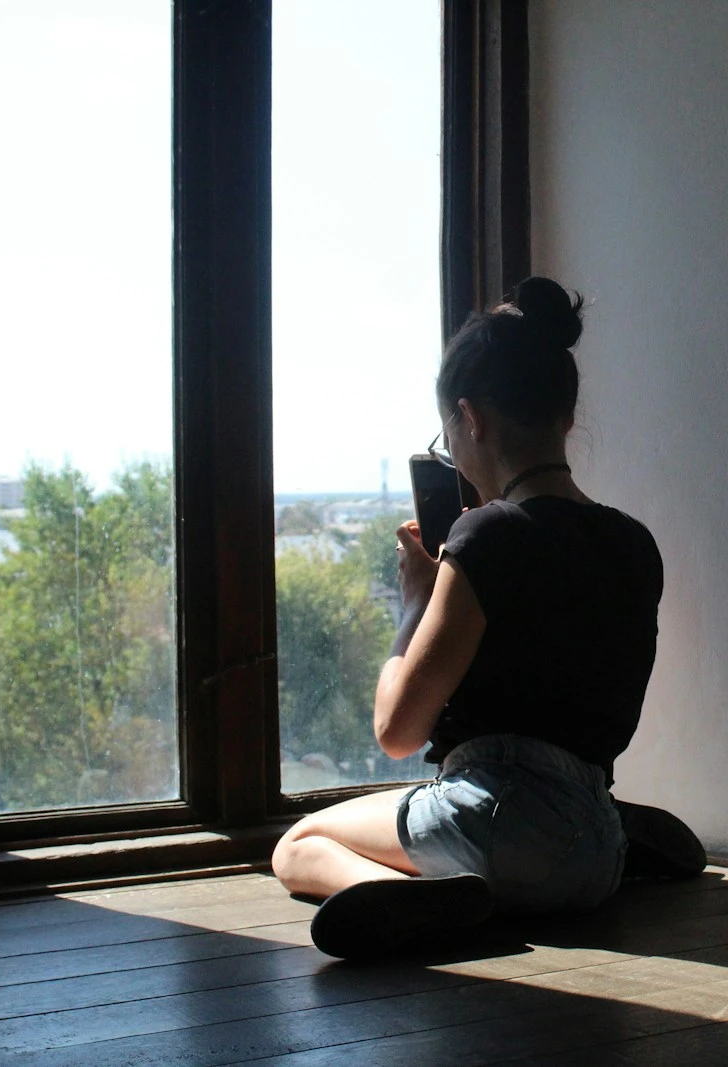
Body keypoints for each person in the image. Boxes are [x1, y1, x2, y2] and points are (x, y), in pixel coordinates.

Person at [271, 277, 701, 959]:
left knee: (300, 843)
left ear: (470, 419)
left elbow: (396, 729)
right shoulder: (633, 543)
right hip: (594, 856)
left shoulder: (487, 538)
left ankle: (413, 894)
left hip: (495, 827)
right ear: (564, 417)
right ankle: (609, 831)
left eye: (449, 436)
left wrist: (416, 602)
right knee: (562, 816)